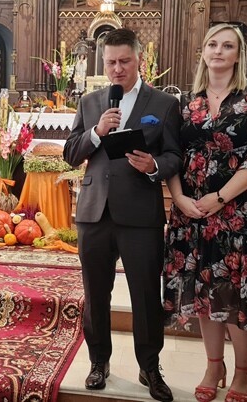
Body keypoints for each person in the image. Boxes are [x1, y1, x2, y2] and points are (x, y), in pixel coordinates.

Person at [63, 28, 182, 402]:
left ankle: (150, 367)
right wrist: (96, 132)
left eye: (124, 61)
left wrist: (153, 166)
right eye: (111, 62)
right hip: (94, 211)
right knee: (95, 293)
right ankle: (99, 362)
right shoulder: (90, 102)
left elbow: (175, 156)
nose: (117, 69)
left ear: (139, 60)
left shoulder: (164, 104)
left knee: (145, 294)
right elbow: (71, 153)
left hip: (140, 213)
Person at [162, 23, 247, 402]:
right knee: (205, 290)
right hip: (193, 213)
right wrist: (178, 198)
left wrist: (221, 197)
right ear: (203, 52)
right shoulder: (186, 102)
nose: (218, 51)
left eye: (227, 46)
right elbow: (172, 154)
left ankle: (243, 371)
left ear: (239, 54)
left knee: (238, 294)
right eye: (212, 44)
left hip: (241, 213)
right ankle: (214, 365)